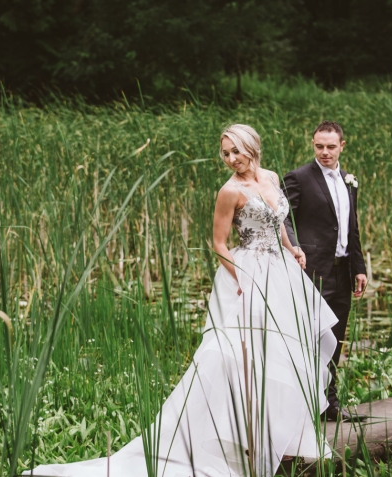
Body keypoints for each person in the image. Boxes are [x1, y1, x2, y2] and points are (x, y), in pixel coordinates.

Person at [24, 124, 338, 477]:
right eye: (225, 153)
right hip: (248, 273)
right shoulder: (228, 191)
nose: (230, 159)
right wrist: (243, 279)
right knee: (239, 356)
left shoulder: (271, 178)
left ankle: (278, 434)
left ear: (252, 148)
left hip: (280, 273)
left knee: (282, 351)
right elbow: (218, 244)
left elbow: (278, 222)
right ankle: (237, 437)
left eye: (236, 151)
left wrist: (292, 247)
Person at [282, 120, 368, 422]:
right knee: (306, 339)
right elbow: (283, 220)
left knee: (335, 339)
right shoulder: (298, 178)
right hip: (311, 273)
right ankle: (302, 407)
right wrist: (294, 249)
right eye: (319, 146)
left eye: (331, 146)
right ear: (313, 144)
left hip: (342, 273)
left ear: (342, 146)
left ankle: (329, 404)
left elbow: (351, 227)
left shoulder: (349, 181)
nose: (325, 152)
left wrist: (359, 267)